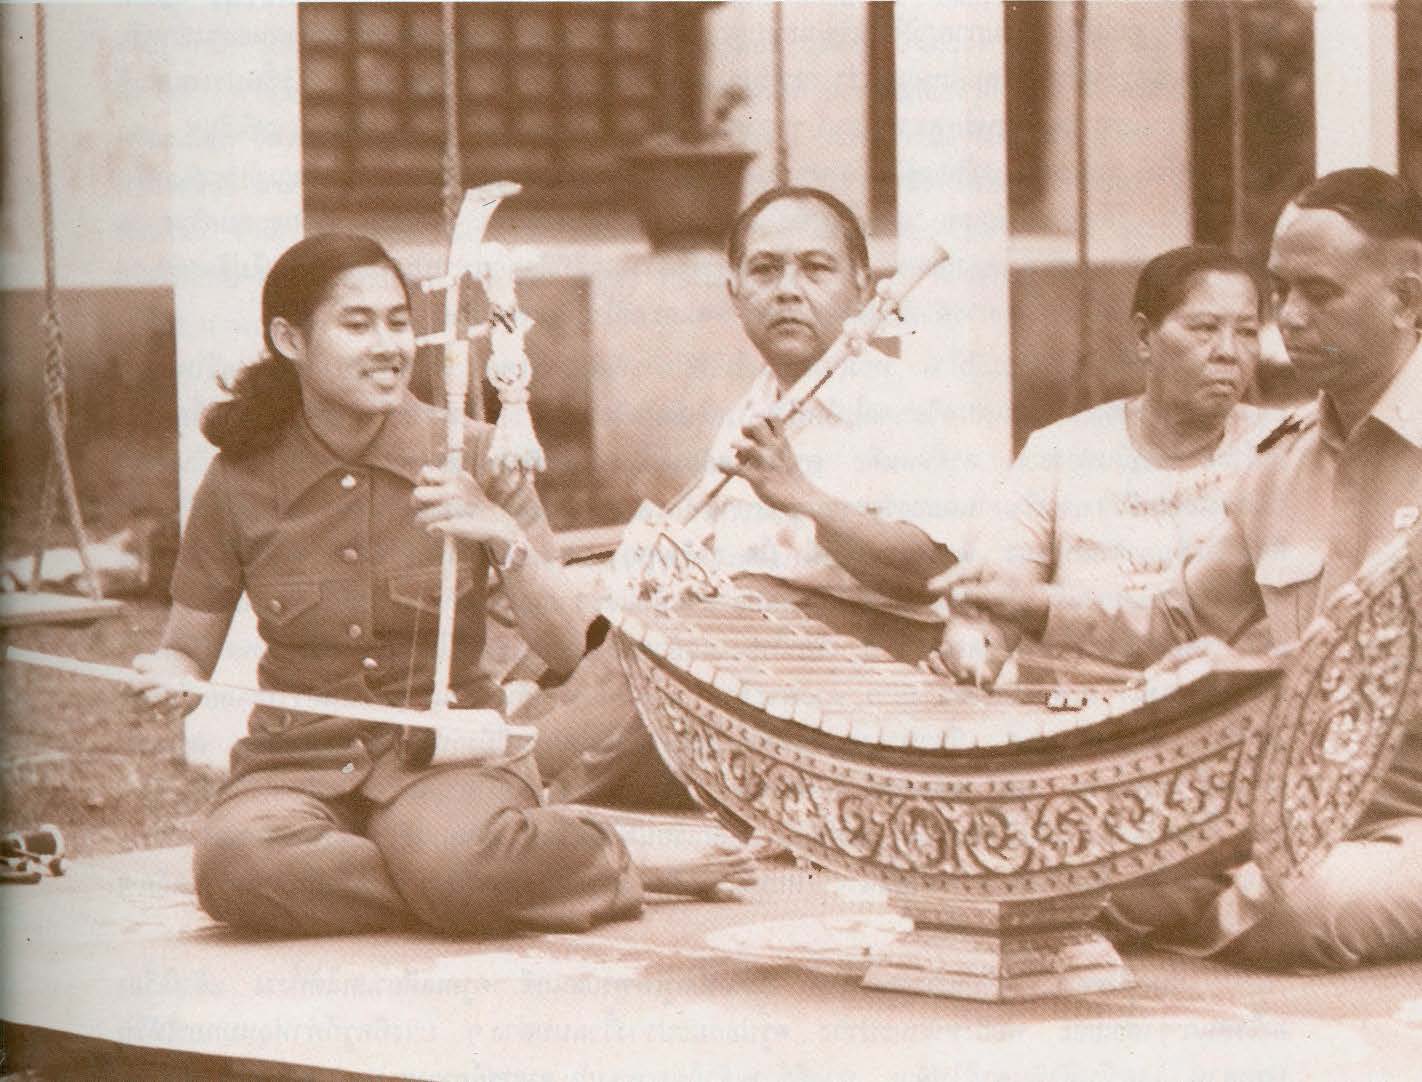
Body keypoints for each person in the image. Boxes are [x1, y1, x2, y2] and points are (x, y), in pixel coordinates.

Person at [130, 233, 755, 937]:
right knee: (235, 866)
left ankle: (567, 860)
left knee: (451, 858)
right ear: (290, 340)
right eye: (357, 324)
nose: (388, 345)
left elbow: (566, 646)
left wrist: (500, 533)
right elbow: (187, 649)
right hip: (297, 764)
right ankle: (496, 875)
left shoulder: (479, 456)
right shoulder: (238, 480)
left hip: (446, 761)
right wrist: (172, 675)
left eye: (398, 322)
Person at [933, 167, 1422, 971]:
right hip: (1283, 798)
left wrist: (1261, 678)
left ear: (1405, 300)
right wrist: (1035, 604)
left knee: (1305, 906)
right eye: (1281, 290)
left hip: (1406, 811)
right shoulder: (1280, 465)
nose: (1289, 319)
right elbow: (1178, 621)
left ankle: (1230, 902)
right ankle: (1219, 900)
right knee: (1044, 860)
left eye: (1320, 293)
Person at [523, 187, 968, 808]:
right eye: (766, 270)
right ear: (735, 294)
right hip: (738, 650)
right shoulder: (754, 407)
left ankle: (536, 794)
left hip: (863, 670)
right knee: (548, 697)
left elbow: (932, 575)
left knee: (558, 755)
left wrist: (804, 498)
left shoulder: (910, 405)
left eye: (816, 268)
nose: (788, 290)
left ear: (862, 289)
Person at [926, 244, 1280, 687]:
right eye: (1204, 328)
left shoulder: (1279, 453)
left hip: (1229, 711)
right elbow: (1001, 596)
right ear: (1144, 337)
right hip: (1073, 714)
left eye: (1247, 332)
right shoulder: (1063, 452)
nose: (1229, 351)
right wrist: (974, 646)